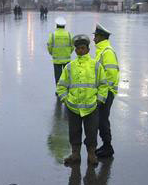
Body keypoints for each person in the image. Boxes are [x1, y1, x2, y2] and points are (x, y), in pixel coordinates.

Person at [56, 34, 108, 166]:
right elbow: (61, 86)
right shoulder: (69, 67)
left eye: (83, 48)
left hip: (91, 107)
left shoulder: (96, 66)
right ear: (75, 50)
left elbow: (103, 84)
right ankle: (75, 154)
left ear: (88, 49)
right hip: (74, 107)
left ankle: (91, 155)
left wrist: (99, 101)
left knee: (91, 133)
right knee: (74, 132)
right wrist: (66, 100)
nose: (80, 50)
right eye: (78, 48)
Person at [92, 23, 119, 158]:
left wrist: (103, 92)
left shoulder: (107, 52)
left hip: (106, 93)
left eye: (95, 36)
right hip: (102, 92)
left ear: (101, 37)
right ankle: (105, 145)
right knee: (100, 120)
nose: (93, 39)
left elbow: (111, 75)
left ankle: (108, 147)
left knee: (102, 120)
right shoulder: (101, 51)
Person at [47, 16, 74, 87]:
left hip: (56, 60)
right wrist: (69, 52)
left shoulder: (53, 35)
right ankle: (67, 88)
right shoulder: (69, 34)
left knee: (58, 76)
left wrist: (51, 53)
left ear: (56, 25)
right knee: (67, 76)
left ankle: (59, 90)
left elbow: (49, 46)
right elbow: (72, 46)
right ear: (64, 26)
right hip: (67, 59)